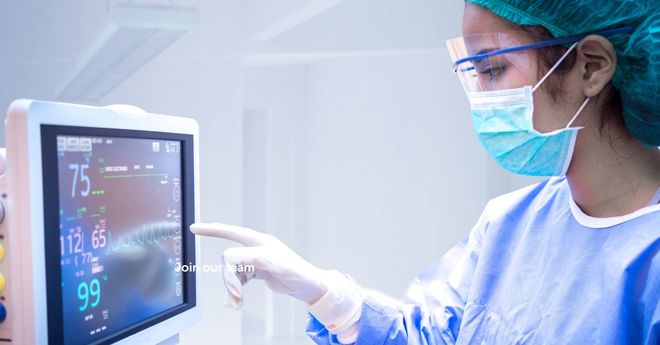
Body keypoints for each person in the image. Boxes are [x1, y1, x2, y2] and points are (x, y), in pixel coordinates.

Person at [192, 1, 660, 344]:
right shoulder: (511, 222)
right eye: (471, 74)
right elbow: (434, 335)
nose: (480, 97)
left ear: (592, 66)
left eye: (494, 69)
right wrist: (326, 294)